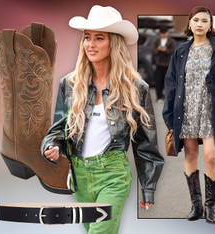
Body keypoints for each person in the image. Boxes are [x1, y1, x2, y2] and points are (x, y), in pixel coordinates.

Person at [41, 5, 164, 233]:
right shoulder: (70, 84)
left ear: (114, 44)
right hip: (79, 177)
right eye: (87, 37)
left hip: (113, 174)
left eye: (99, 38)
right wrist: (53, 146)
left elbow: (146, 144)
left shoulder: (136, 88)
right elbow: (59, 129)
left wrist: (148, 188)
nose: (91, 44)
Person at [162, 6, 215, 224]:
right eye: (195, 20)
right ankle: (196, 205)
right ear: (189, 23)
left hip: (210, 109)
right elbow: (171, 83)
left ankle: (211, 206)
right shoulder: (180, 51)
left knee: (211, 156)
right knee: (190, 155)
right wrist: (168, 113)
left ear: (210, 24)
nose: (199, 24)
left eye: (204, 20)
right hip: (186, 110)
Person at [151, 25, 176, 103]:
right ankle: (159, 97)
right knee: (158, 81)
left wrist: (166, 50)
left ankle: (168, 97)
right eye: (162, 33)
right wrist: (158, 49)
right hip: (159, 63)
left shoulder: (171, 41)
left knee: (168, 82)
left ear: (167, 33)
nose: (163, 35)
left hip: (168, 64)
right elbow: (152, 50)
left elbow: (173, 50)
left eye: (164, 33)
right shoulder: (157, 41)